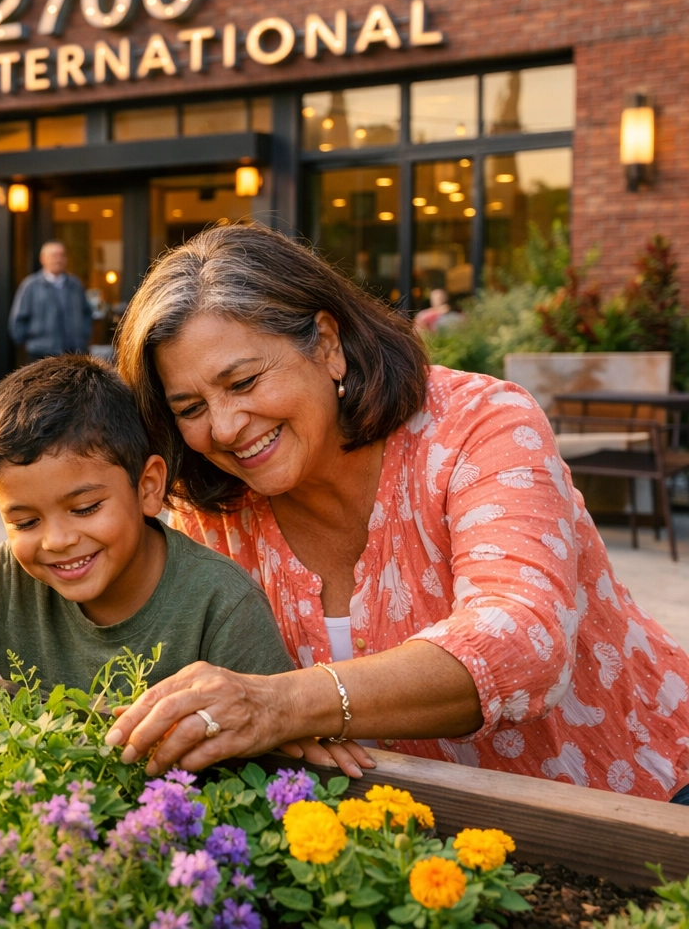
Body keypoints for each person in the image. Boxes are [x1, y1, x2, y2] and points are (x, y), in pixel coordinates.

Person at [106, 223, 689, 803]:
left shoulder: (480, 423)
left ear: (328, 346)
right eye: (191, 407)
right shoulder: (213, 507)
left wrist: (280, 705)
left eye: (244, 381)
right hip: (409, 850)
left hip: (643, 803)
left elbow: (522, 640)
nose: (226, 427)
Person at [0, 354, 294, 694]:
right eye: (26, 520)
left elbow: (278, 740)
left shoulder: (222, 604)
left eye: (86, 508)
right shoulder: (6, 581)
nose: (57, 540)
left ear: (148, 487)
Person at [8, 240, 93, 361]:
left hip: (74, 355)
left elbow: (86, 313)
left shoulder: (75, 285)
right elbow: (18, 321)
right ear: (43, 259)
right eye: (54, 255)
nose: (58, 259)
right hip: (40, 356)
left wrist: (83, 337)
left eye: (62, 255)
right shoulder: (31, 286)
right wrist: (32, 343)